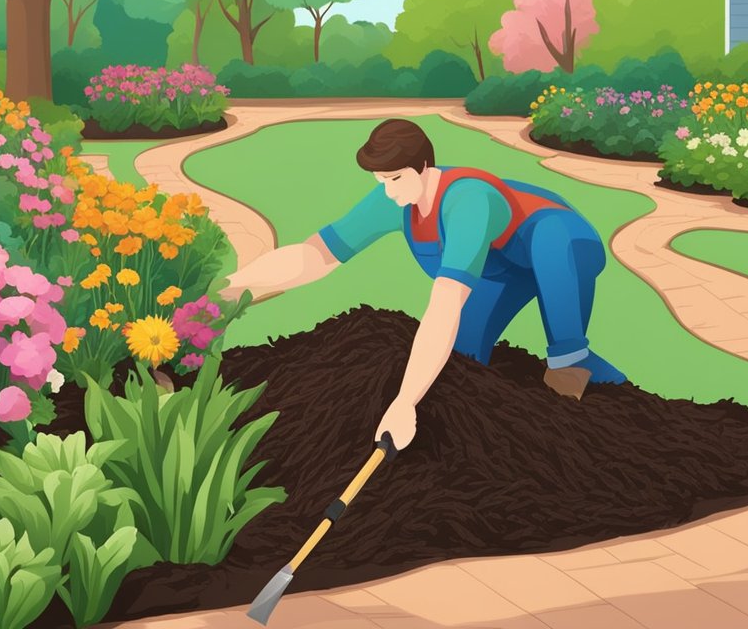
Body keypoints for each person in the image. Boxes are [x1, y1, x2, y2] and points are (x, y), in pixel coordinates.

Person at [218, 118, 627, 450]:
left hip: (563, 243)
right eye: (381, 181)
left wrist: (403, 401)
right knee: (461, 365)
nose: (389, 192)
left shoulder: (467, 201)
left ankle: (576, 365)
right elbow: (317, 256)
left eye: (395, 179)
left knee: (562, 353)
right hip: (501, 268)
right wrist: (234, 285)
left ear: (425, 168)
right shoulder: (394, 198)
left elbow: (445, 303)